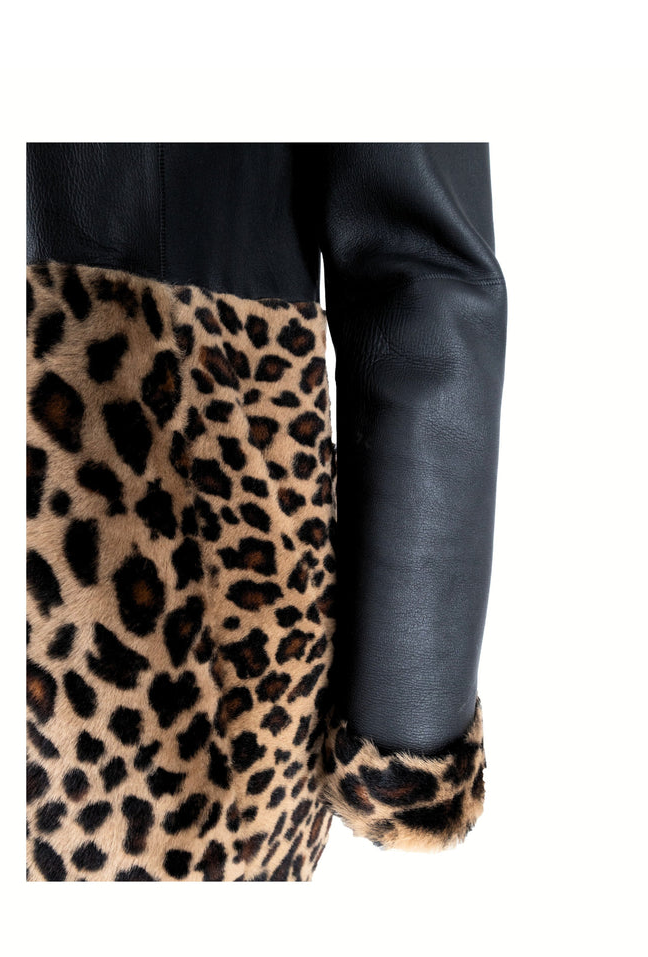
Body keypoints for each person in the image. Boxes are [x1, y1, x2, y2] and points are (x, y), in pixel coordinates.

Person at [25, 142, 508, 881]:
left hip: (159, 675)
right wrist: (408, 748)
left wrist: (407, 718)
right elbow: (425, 275)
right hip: (159, 688)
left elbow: (420, 274)